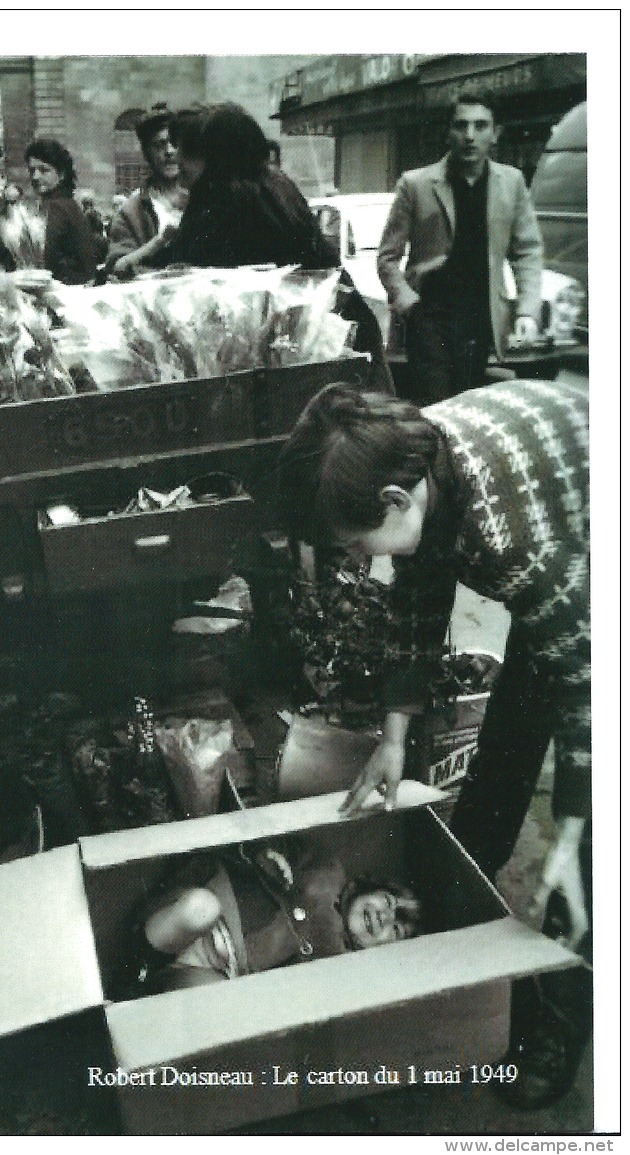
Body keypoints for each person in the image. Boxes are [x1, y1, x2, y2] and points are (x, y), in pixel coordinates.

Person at [277, 379, 590, 1109]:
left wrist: (577, 837)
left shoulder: (514, 541)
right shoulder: (413, 462)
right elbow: (419, 601)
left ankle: (568, 1011)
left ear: (394, 499)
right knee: (499, 766)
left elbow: (588, 712)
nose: (359, 558)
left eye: (356, 542)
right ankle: (462, 900)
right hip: (562, 523)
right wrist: (392, 737)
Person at [162, 102, 394, 394]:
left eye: (187, 151)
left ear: (212, 156)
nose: (177, 160)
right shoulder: (275, 184)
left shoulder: (224, 197)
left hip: (314, 350)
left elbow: (197, 290)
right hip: (343, 334)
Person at [377, 92, 543, 402]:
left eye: (481, 126)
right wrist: (409, 304)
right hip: (429, 317)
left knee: (471, 403)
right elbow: (387, 257)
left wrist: (527, 312)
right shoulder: (415, 184)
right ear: (448, 132)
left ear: (495, 134)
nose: (470, 136)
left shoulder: (512, 182)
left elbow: (527, 252)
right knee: (437, 405)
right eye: (461, 126)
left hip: (481, 318)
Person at [137, 841, 422, 992]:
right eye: (387, 900)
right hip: (210, 909)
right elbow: (274, 842)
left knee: (224, 1008)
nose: (385, 916)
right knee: (199, 908)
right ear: (367, 888)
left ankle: (142, 986)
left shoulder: (340, 967)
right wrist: (270, 855)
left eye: (396, 930)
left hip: (214, 970)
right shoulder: (328, 870)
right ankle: (137, 958)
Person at [106, 104, 187, 279]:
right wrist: (160, 241)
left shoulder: (204, 196)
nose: (169, 151)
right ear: (146, 153)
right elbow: (117, 267)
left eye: (175, 143)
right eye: (159, 145)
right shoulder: (132, 210)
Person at [24, 137, 99, 284]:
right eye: (32, 170)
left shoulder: (58, 207)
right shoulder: (66, 203)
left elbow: (46, 255)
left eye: (44, 170)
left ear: (62, 174)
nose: (35, 176)